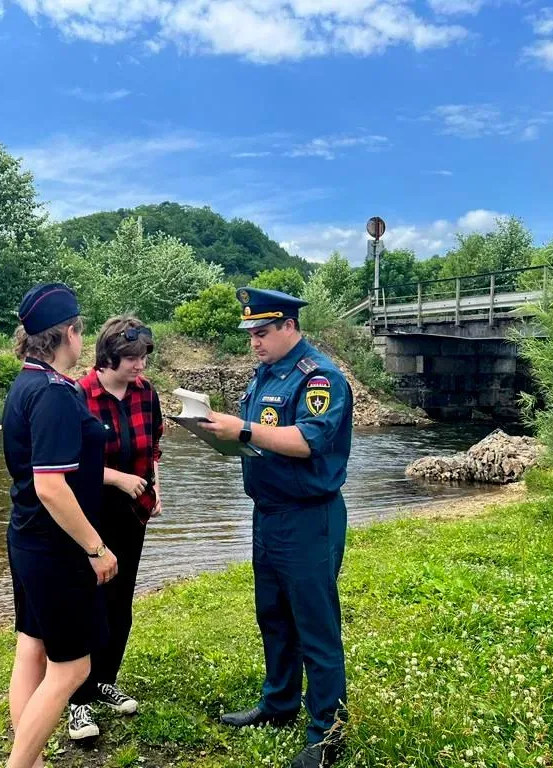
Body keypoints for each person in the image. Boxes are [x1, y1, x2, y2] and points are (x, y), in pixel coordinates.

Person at [201, 287, 353, 768]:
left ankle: (328, 733)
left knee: (315, 625)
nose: (255, 343)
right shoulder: (265, 374)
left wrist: (242, 431)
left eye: (263, 333)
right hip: (267, 513)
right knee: (273, 616)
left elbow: (308, 440)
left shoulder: (320, 377)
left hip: (309, 516)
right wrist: (217, 434)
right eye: (250, 334)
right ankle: (279, 703)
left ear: (290, 326)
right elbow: (260, 437)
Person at [1, 282, 119, 768]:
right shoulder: (50, 394)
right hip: (55, 548)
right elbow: (51, 486)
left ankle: (26, 757)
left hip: (29, 538)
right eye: (80, 330)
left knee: (31, 647)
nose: (82, 338)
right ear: (69, 333)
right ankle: (20, 764)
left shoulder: (26, 383)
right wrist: (96, 548)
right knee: (71, 668)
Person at [66, 315, 164, 740]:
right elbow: (67, 463)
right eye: (131, 358)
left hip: (132, 513)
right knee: (89, 603)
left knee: (121, 601)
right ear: (107, 357)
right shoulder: (78, 395)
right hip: (89, 515)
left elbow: (154, 446)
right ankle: (77, 701)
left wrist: (156, 488)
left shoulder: (147, 393)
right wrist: (118, 478)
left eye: (143, 357)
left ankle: (106, 678)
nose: (139, 366)